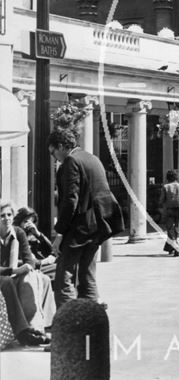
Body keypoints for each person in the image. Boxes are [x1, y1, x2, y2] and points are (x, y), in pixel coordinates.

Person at [48, 128, 124, 308]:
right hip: (98, 225)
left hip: (80, 227)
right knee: (87, 271)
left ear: (60, 146)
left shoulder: (71, 161)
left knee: (64, 275)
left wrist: (59, 233)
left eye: (53, 152)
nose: (54, 157)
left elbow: (70, 201)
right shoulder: (92, 158)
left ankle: (69, 320)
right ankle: (91, 313)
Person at [0, 201, 55, 345]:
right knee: (8, 282)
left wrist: (27, 268)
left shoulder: (19, 232)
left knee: (35, 277)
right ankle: (23, 332)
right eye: (2, 216)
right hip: (4, 275)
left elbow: (29, 260)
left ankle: (37, 328)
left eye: (9, 214)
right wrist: (14, 270)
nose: (6, 218)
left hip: (15, 273)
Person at [13, 207, 56, 279]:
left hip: (37, 269)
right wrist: (41, 262)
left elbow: (51, 251)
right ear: (19, 222)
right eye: (26, 221)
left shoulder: (32, 237)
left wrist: (38, 234)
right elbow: (13, 262)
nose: (29, 225)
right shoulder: (14, 237)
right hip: (24, 271)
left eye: (32, 222)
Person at [159, 170, 179, 256]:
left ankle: (176, 247)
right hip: (178, 210)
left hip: (168, 210)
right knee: (175, 228)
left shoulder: (165, 187)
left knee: (170, 229)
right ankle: (171, 248)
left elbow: (161, 200)